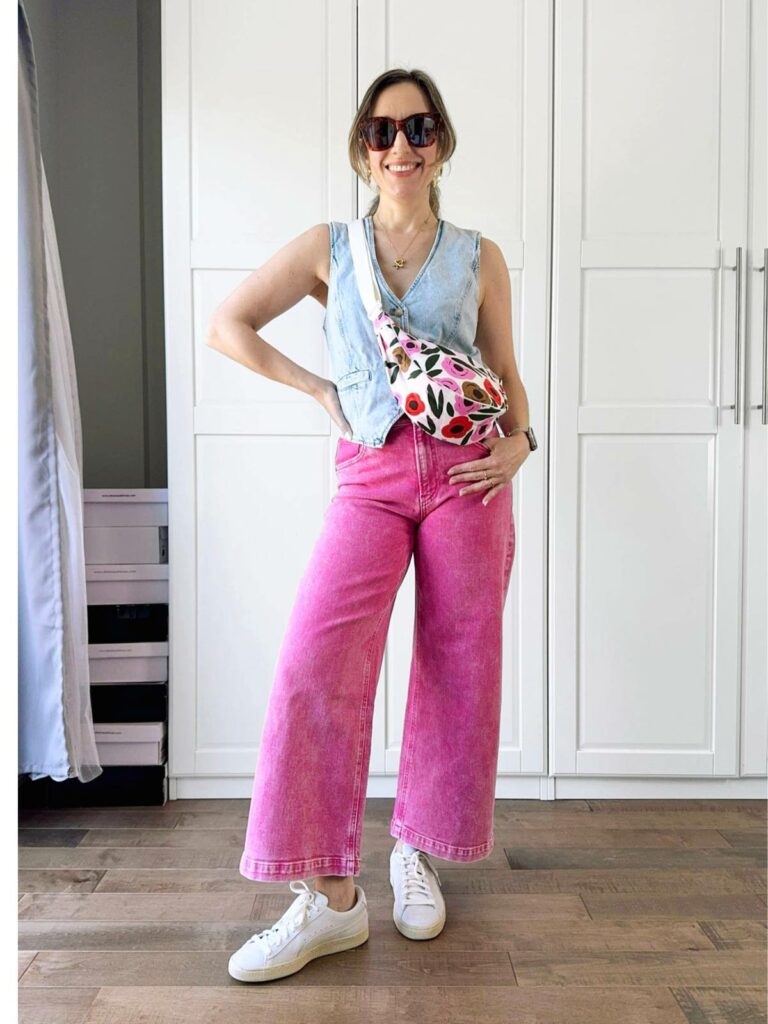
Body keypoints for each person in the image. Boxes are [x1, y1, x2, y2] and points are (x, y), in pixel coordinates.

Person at [207, 68, 533, 984]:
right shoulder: (330, 249)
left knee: (458, 666)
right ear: (363, 147)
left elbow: (509, 378)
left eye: (420, 128)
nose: (403, 146)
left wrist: (521, 444)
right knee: (318, 661)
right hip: (374, 476)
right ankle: (329, 900)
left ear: (443, 143)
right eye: (385, 131)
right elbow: (227, 323)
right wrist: (319, 390)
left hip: (470, 477)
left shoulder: (480, 256)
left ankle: (416, 851)